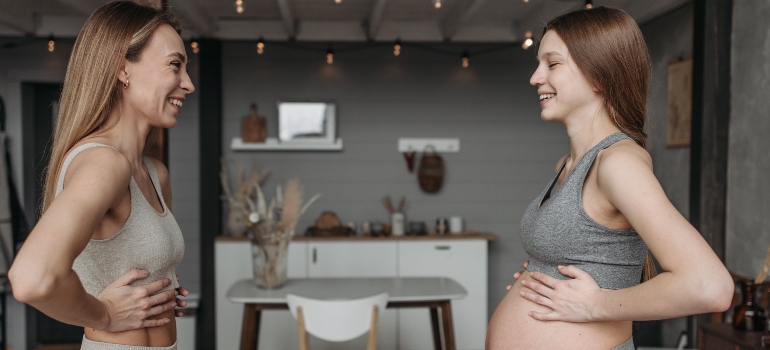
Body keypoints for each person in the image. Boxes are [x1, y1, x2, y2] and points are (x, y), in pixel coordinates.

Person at [485, 6, 733, 350]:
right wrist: (540, 272)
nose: (535, 77)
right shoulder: (569, 164)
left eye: (552, 64)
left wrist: (593, 305)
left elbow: (710, 286)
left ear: (599, 75)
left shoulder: (617, 163)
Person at [8, 1, 194, 349]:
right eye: (175, 66)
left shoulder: (154, 172)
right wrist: (104, 314)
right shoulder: (104, 164)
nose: (188, 84)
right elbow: (31, 278)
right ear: (123, 70)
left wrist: (162, 286)